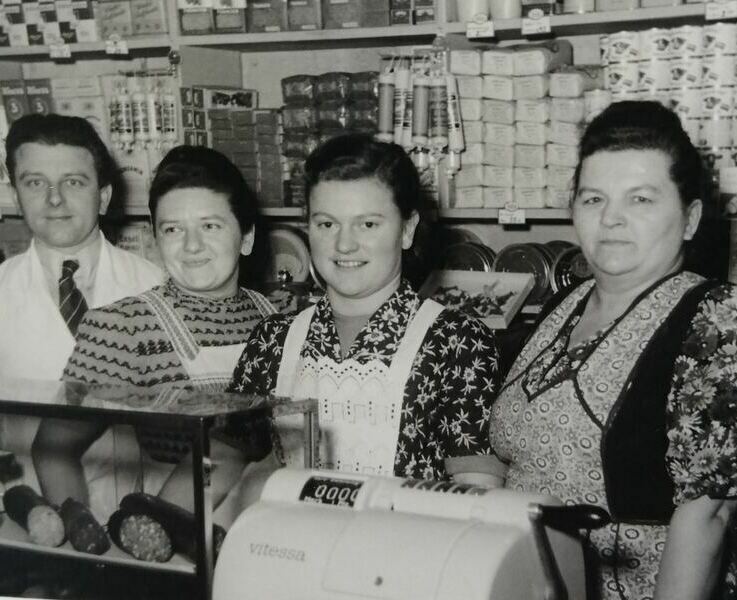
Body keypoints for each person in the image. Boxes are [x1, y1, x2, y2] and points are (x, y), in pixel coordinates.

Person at [489, 101, 737, 600]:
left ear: (690, 218)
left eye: (641, 200)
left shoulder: (722, 319)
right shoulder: (565, 303)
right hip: (532, 582)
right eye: (593, 200)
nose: (611, 219)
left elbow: (709, 512)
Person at [31, 146, 277, 549]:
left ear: (246, 237)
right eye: (173, 229)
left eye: (211, 226)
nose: (191, 246)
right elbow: (51, 449)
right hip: (180, 549)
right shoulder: (123, 326)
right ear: (156, 239)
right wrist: (83, 545)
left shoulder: (286, 316)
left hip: (280, 542)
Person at [230, 134, 503, 485]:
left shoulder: (458, 343)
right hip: (292, 538)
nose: (344, 244)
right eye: (327, 224)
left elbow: (476, 490)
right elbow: (223, 458)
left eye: (368, 224)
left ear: (407, 229)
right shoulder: (273, 339)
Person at [0, 113, 163, 382]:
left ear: (103, 197)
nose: (54, 198)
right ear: (17, 198)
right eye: (35, 183)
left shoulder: (156, 286)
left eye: (73, 182)